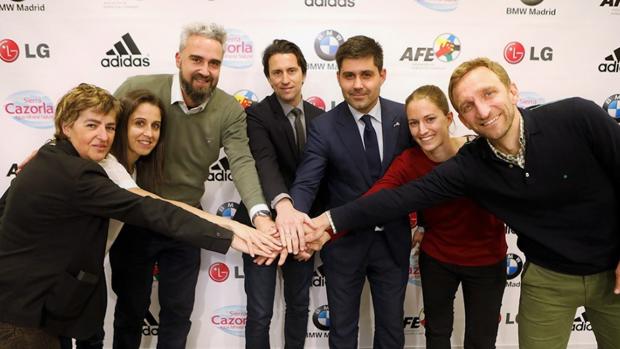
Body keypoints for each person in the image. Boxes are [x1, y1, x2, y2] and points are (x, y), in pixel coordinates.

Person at [309, 57, 620, 349]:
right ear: (461, 117)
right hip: (548, 277)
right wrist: (327, 221)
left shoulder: (576, 117)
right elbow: (399, 197)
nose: (483, 111)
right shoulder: (470, 164)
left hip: (613, 270)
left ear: (512, 91)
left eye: (489, 94)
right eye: (469, 106)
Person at [0, 83, 273, 349]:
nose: (103, 136)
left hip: (40, 303)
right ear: (66, 126)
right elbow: (148, 208)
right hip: (23, 314)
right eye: (92, 125)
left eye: (109, 127)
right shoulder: (79, 174)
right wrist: (228, 234)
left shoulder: (61, 157)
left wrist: (226, 224)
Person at [110, 22, 276, 349]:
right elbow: (97, 129)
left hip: (186, 221)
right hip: (135, 216)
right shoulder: (136, 87)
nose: (205, 70)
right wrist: (52, 147)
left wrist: (259, 215)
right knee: (130, 311)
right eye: (196, 60)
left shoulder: (229, 109)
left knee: (178, 312)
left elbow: (241, 161)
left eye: (214, 63)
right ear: (178, 59)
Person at [281, 35, 412, 348]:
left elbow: (423, 176)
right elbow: (307, 181)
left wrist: (422, 221)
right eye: (349, 76)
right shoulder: (324, 126)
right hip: (344, 246)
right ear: (338, 77)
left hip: (393, 243)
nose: (358, 85)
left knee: (392, 332)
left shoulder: (405, 118)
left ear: (382, 75)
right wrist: (294, 219)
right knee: (341, 333)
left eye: (366, 75)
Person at [363, 85, 507, 348]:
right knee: (437, 335)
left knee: (481, 341)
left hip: (487, 260)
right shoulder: (408, 161)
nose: (422, 130)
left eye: (430, 119)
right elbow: (378, 196)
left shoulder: (482, 151)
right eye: (414, 123)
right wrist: (328, 225)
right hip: (438, 259)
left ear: (449, 118)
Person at [232, 39, 326, 349]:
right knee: (259, 312)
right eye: (276, 72)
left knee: (299, 307)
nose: (285, 79)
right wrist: (279, 217)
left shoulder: (321, 119)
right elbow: (265, 166)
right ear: (268, 77)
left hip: (300, 228)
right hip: (263, 228)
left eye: (291, 70)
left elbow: (321, 178)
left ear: (303, 72)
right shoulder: (257, 116)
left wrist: (305, 230)